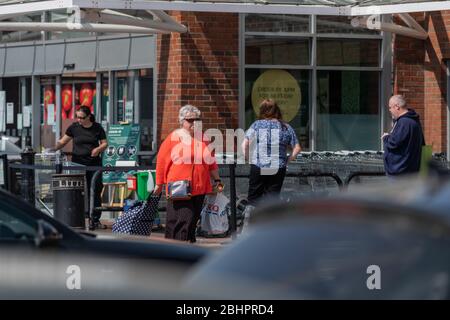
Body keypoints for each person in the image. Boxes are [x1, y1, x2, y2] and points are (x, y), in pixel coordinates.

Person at [153, 105, 223, 243]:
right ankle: (177, 250)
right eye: (190, 120)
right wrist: (159, 184)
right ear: (182, 121)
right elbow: (161, 162)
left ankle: (189, 247)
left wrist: (217, 180)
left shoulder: (203, 138)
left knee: (192, 221)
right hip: (179, 186)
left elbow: (211, 162)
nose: (194, 123)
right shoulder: (173, 138)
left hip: (200, 186)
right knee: (182, 220)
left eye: (197, 120)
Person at [53, 105, 108, 229]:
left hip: (94, 164)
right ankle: (79, 217)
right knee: (78, 191)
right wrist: (52, 149)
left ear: (89, 117)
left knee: (94, 189)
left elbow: (105, 143)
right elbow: (63, 142)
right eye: (77, 117)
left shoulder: (97, 128)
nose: (79, 120)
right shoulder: (74, 128)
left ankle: (95, 218)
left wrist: (98, 149)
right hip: (77, 163)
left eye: (82, 118)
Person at [242, 99, 301, 206]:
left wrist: (248, 159)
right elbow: (297, 148)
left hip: (258, 165)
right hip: (278, 166)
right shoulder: (286, 127)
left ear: (262, 111)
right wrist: (287, 160)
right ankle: (270, 222)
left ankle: (252, 221)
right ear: (277, 110)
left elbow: (245, 144)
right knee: (272, 200)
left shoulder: (257, 125)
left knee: (254, 199)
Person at [382, 95, 425, 177]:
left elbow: (394, 143)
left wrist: (386, 138)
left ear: (397, 107)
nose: (389, 110)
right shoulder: (413, 121)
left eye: (390, 107)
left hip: (401, 174)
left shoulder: (404, 122)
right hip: (410, 172)